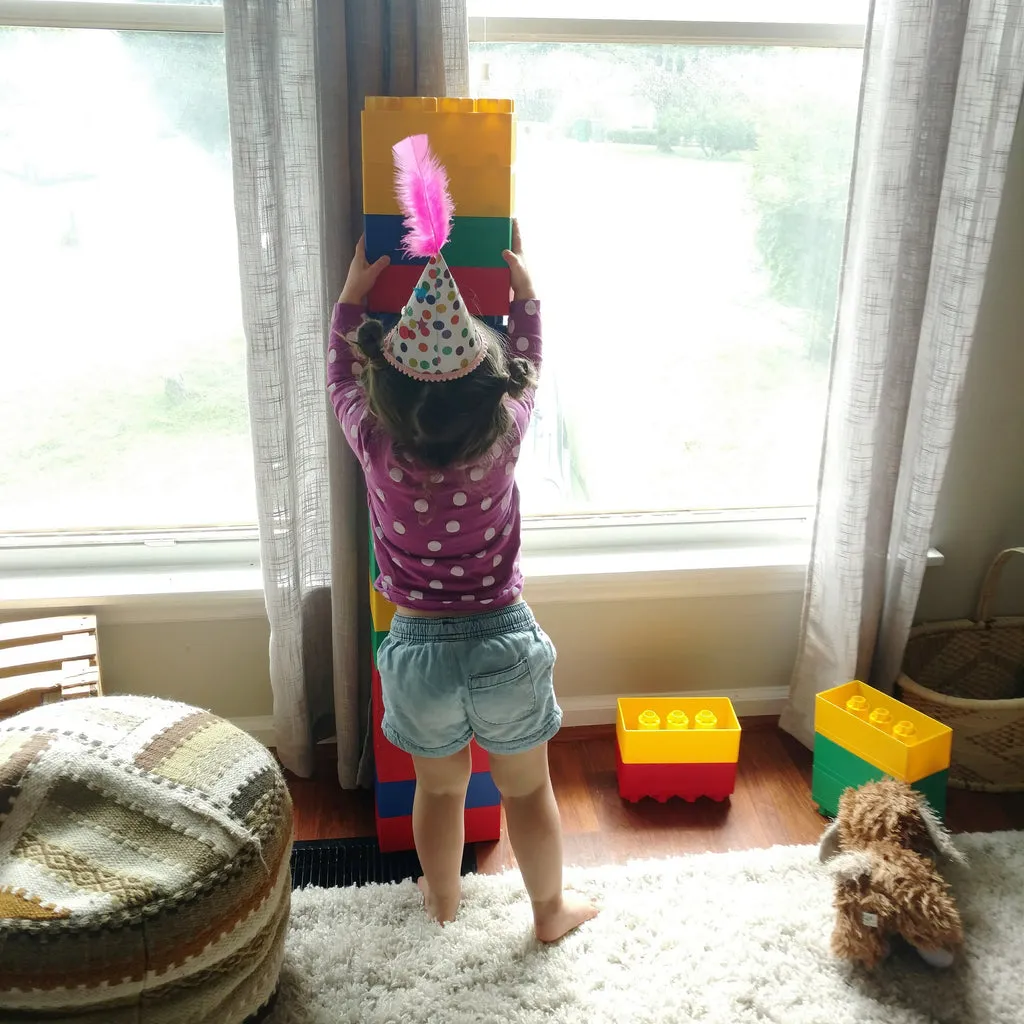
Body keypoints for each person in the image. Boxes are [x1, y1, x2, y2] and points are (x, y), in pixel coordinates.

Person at [327, 221, 598, 943]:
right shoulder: (505, 433)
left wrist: (353, 299)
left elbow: (338, 375)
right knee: (528, 789)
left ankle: (443, 907)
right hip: (504, 642)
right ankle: (548, 913)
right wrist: (526, 294)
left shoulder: (374, 443)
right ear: (488, 384)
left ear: (388, 386)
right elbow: (532, 362)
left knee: (438, 792)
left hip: (417, 649)